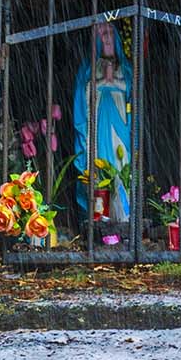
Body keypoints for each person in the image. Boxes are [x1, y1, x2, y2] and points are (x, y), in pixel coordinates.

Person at [72, 18, 134, 220]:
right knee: (97, 171)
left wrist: (112, 81)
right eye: (102, 34)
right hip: (97, 131)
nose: (107, 38)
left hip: (120, 131)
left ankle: (123, 218)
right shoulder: (88, 69)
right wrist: (101, 82)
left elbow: (132, 97)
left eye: (110, 33)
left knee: (120, 169)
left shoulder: (126, 70)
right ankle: (100, 220)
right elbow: (82, 98)